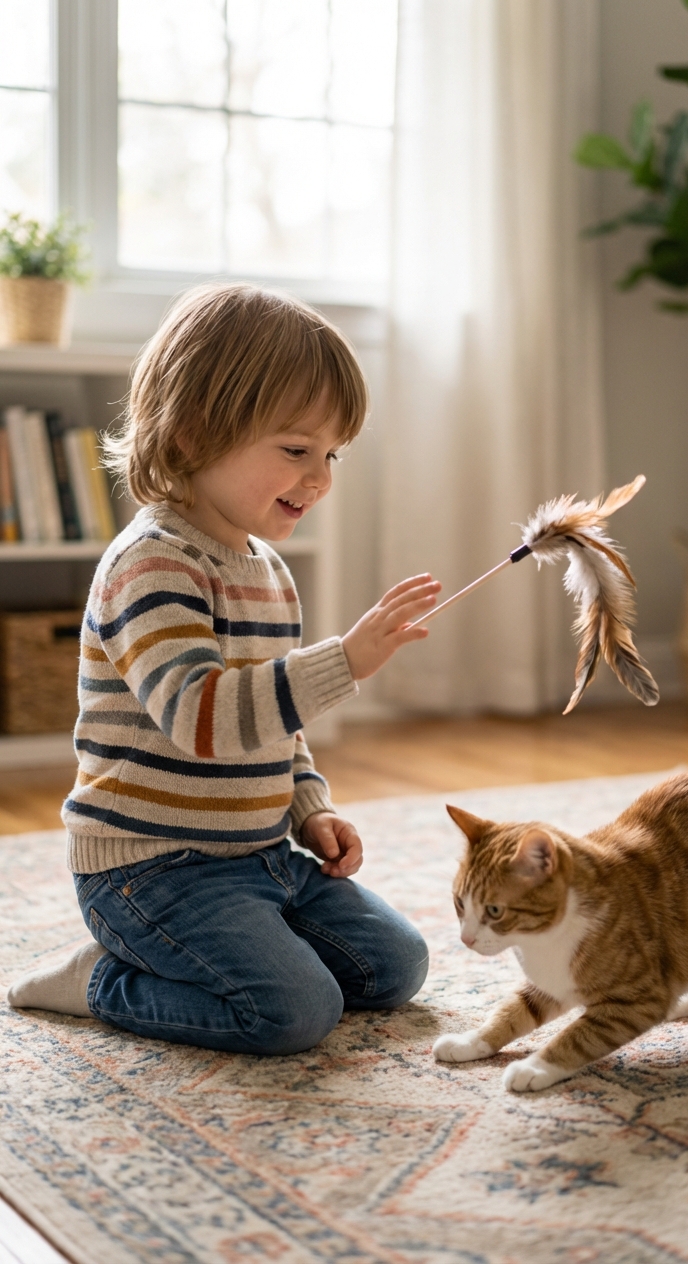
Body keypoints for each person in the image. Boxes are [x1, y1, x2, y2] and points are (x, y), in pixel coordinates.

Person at [7, 283, 441, 1055]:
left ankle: (227, 948)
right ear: (189, 436)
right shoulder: (150, 565)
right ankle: (102, 979)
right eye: (297, 450)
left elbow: (278, 726)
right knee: (294, 1012)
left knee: (395, 966)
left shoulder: (268, 569)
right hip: (150, 871)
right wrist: (346, 662)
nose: (321, 479)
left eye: (332, 454)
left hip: (261, 854)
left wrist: (309, 807)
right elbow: (204, 718)